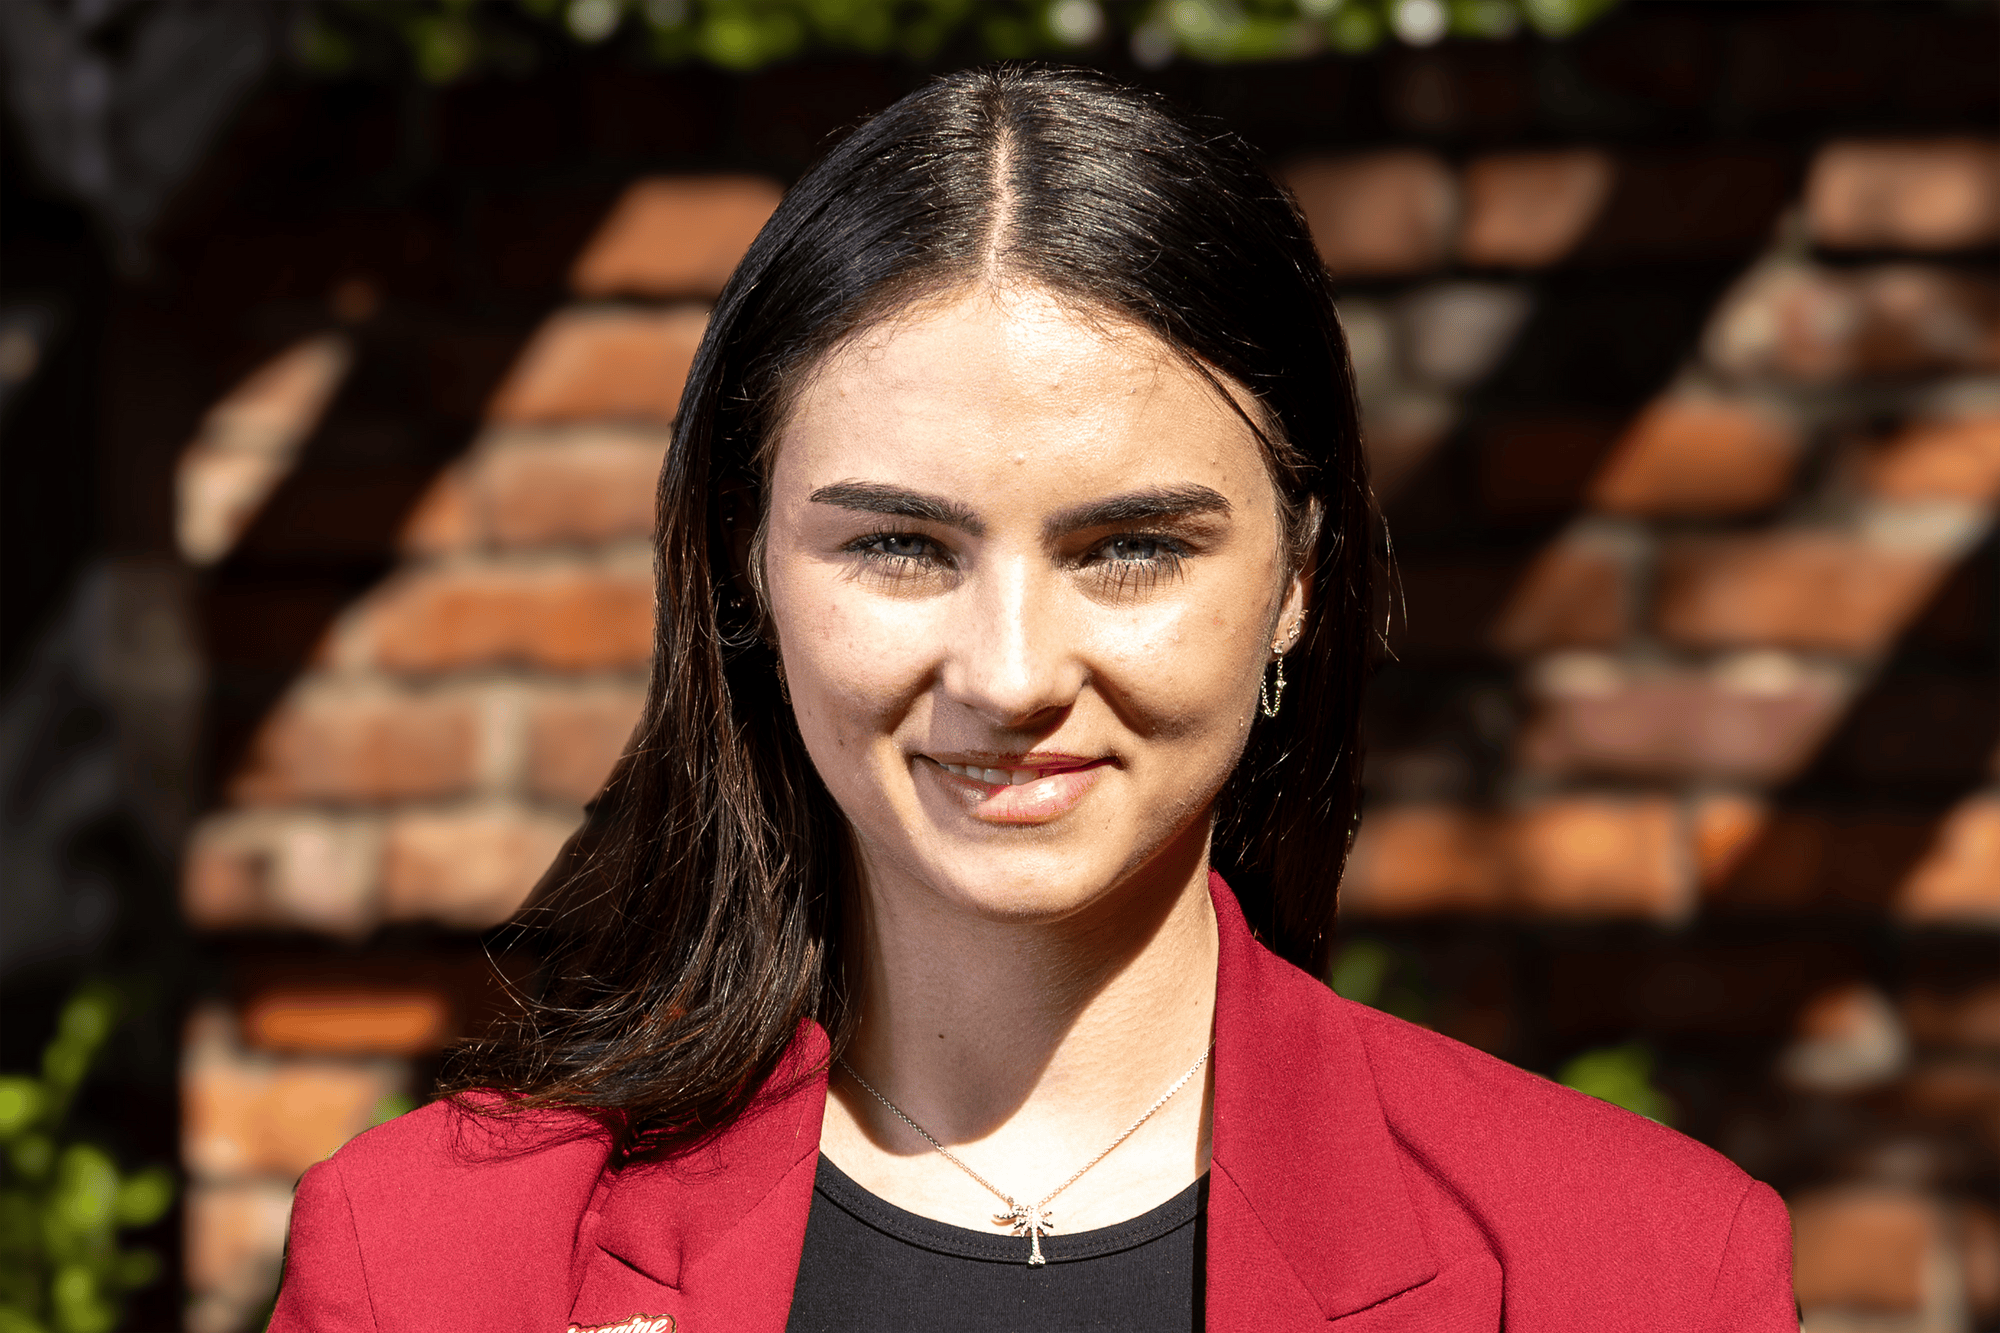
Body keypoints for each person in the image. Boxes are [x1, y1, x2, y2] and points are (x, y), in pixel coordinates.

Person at [268, 64, 1795, 1333]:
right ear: (747, 564)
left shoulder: (1638, 1270)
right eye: (900, 546)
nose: (1009, 674)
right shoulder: (432, 1264)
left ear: (1299, 575)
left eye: (1129, 549)